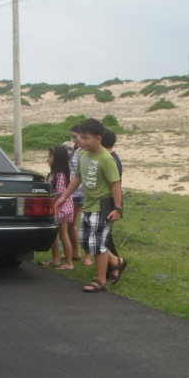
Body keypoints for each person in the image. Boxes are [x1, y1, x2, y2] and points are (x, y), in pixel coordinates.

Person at [55, 118, 127, 292]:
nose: (82, 141)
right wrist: (65, 196)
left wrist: (118, 209)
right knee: (86, 243)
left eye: (86, 138)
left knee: (98, 244)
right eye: (82, 137)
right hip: (88, 204)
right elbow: (78, 177)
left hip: (103, 206)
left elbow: (115, 184)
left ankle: (100, 281)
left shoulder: (106, 159)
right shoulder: (82, 155)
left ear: (98, 139)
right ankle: (116, 262)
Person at [41, 145, 75, 270]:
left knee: (63, 234)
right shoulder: (53, 174)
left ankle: (69, 263)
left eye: (50, 157)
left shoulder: (60, 175)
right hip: (55, 208)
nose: (47, 160)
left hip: (62, 208)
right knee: (54, 235)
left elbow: (60, 193)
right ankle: (55, 259)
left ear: (58, 159)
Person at [101, 128, 123, 280]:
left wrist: (117, 207)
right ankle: (113, 266)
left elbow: (115, 185)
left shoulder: (110, 159)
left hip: (108, 202)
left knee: (104, 237)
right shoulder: (108, 157)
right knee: (106, 237)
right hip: (105, 201)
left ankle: (116, 264)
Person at [68, 125, 90, 266]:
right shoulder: (76, 151)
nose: (75, 140)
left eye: (76, 137)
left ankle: (85, 254)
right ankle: (76, 252)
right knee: (71, 223)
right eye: (73, 137)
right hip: (72, 190)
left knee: (82, 223)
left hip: (81, 192)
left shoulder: (88, 152)